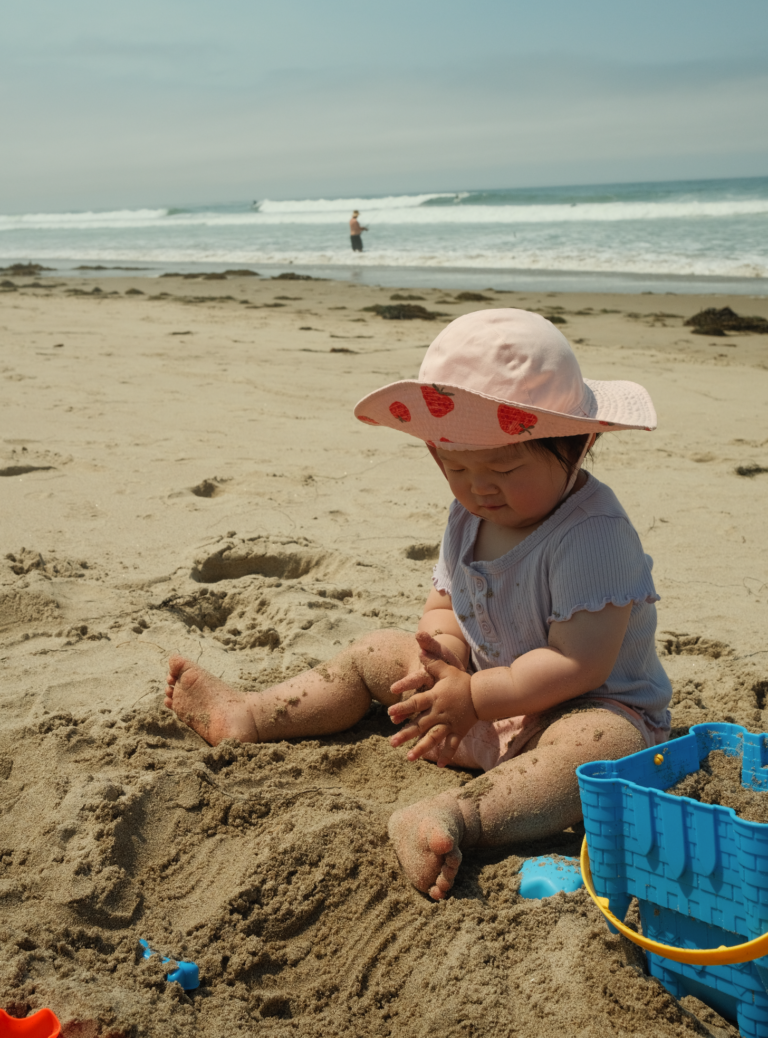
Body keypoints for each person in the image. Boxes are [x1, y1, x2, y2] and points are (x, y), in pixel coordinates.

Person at [165, 309, 671, 901]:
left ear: (578, 445)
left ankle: (459, 815)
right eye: (455, 468)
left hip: (579, 713)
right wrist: (444, 658)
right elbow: (445, 602)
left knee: (601, 753)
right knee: (374, 652)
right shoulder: (471, 515)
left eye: (505, 468)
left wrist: (474, 696)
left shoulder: (594, 535)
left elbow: (576, 664)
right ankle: (253, 716)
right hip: (473, 704)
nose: (480, 487)